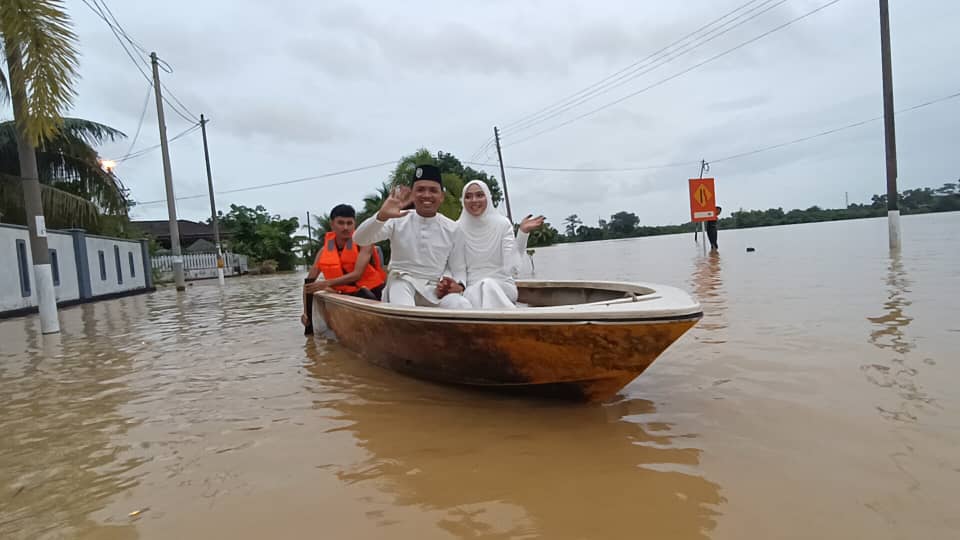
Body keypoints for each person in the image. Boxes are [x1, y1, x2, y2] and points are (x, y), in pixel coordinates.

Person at [353, 164, 471, 309]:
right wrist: (381, 216)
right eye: (420, 190)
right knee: (403, 304)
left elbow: (458, 268)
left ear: (441, 196)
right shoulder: (398, 220)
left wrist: (458, 285)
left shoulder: (453, 228)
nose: (427, 195)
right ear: (413, 194)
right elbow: (359, 239)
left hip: (434, 290)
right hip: (401, 282)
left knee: (462, 305)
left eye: (433, 190)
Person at [301, 204, 387, 333]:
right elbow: (309, 283)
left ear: (354, 224)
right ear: (332, 224)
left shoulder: (365, 243)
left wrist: (327, 283)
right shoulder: (324, 251)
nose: (345, 228)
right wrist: (306, 312)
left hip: (372, 292)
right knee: (321, 289)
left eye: (349, 223)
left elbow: (357, 275)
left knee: (329, 286)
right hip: (346, 295)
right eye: (340, 223)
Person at [458, 179, 543, 309]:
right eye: (468, 197)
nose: (474, 200)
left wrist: (522, 234)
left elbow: (512, 266)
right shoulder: (457, 228)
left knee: (487, 285)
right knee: (481, 288)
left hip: (503, 286)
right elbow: (456, 267)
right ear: (463, 201)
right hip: (471, 289)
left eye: (480, 195)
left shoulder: (502, 224)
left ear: (488, 197)